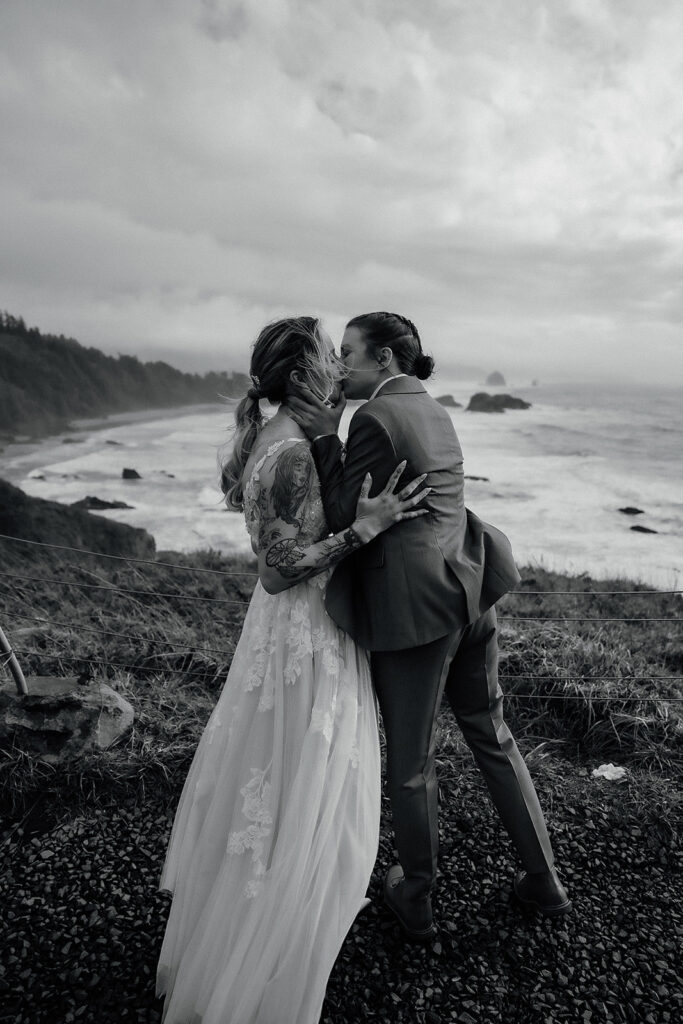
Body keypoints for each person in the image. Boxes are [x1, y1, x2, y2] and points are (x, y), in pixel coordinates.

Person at [155, 316, 430, 1024]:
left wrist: (328, 430)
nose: (338, 366)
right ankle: (268, 950)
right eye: (325, 357)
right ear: (303, 372)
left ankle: (284, 915)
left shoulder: (280, 436)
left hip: (284, 635)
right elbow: (280, 572)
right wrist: (363, 529)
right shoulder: (285, 454)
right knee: (301, 784)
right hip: (300, 632)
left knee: (285, 783)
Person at [288, 311, 571, 942]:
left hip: (416, 610)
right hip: (471, 592)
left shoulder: (372, 418)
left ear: (384, 361)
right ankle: (545, 882)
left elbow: (344, 517)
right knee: (492, 733)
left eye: (349, 356)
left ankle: (414, 893)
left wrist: (324, 438)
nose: (338, 367)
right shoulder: (436, 408)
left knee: (412, 763)